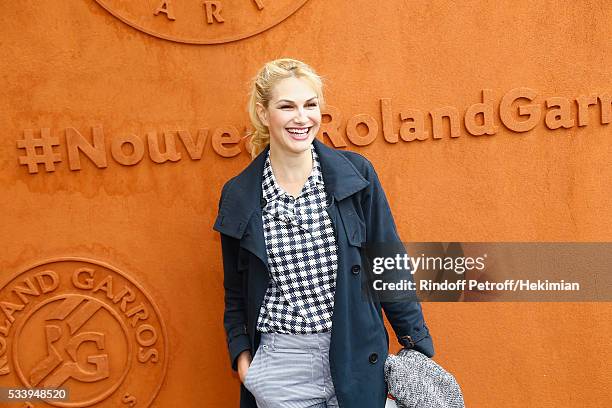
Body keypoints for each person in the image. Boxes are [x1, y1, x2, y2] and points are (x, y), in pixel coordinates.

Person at [213, 58, 434, 408]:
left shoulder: (355, 176)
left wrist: (417, 348)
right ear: (263, 112)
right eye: (287, 106)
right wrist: (243, 358)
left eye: (310, 104)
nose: (302, 118)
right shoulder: (240, 195)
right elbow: (235, 293)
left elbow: (388, 264)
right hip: (283, 367)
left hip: (356, 354)